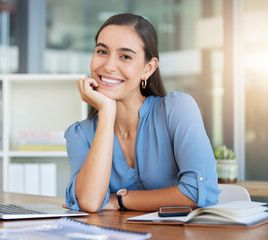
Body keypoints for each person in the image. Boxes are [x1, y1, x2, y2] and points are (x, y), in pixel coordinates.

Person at [64, 13, 219, 213]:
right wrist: (107, 111)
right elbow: (90, 202)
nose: (108, 66)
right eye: (102, 51)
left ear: (148, 68)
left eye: (125, 56)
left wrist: (120, 200)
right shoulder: (80, 134)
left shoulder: (177, 109)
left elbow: (198, 193)